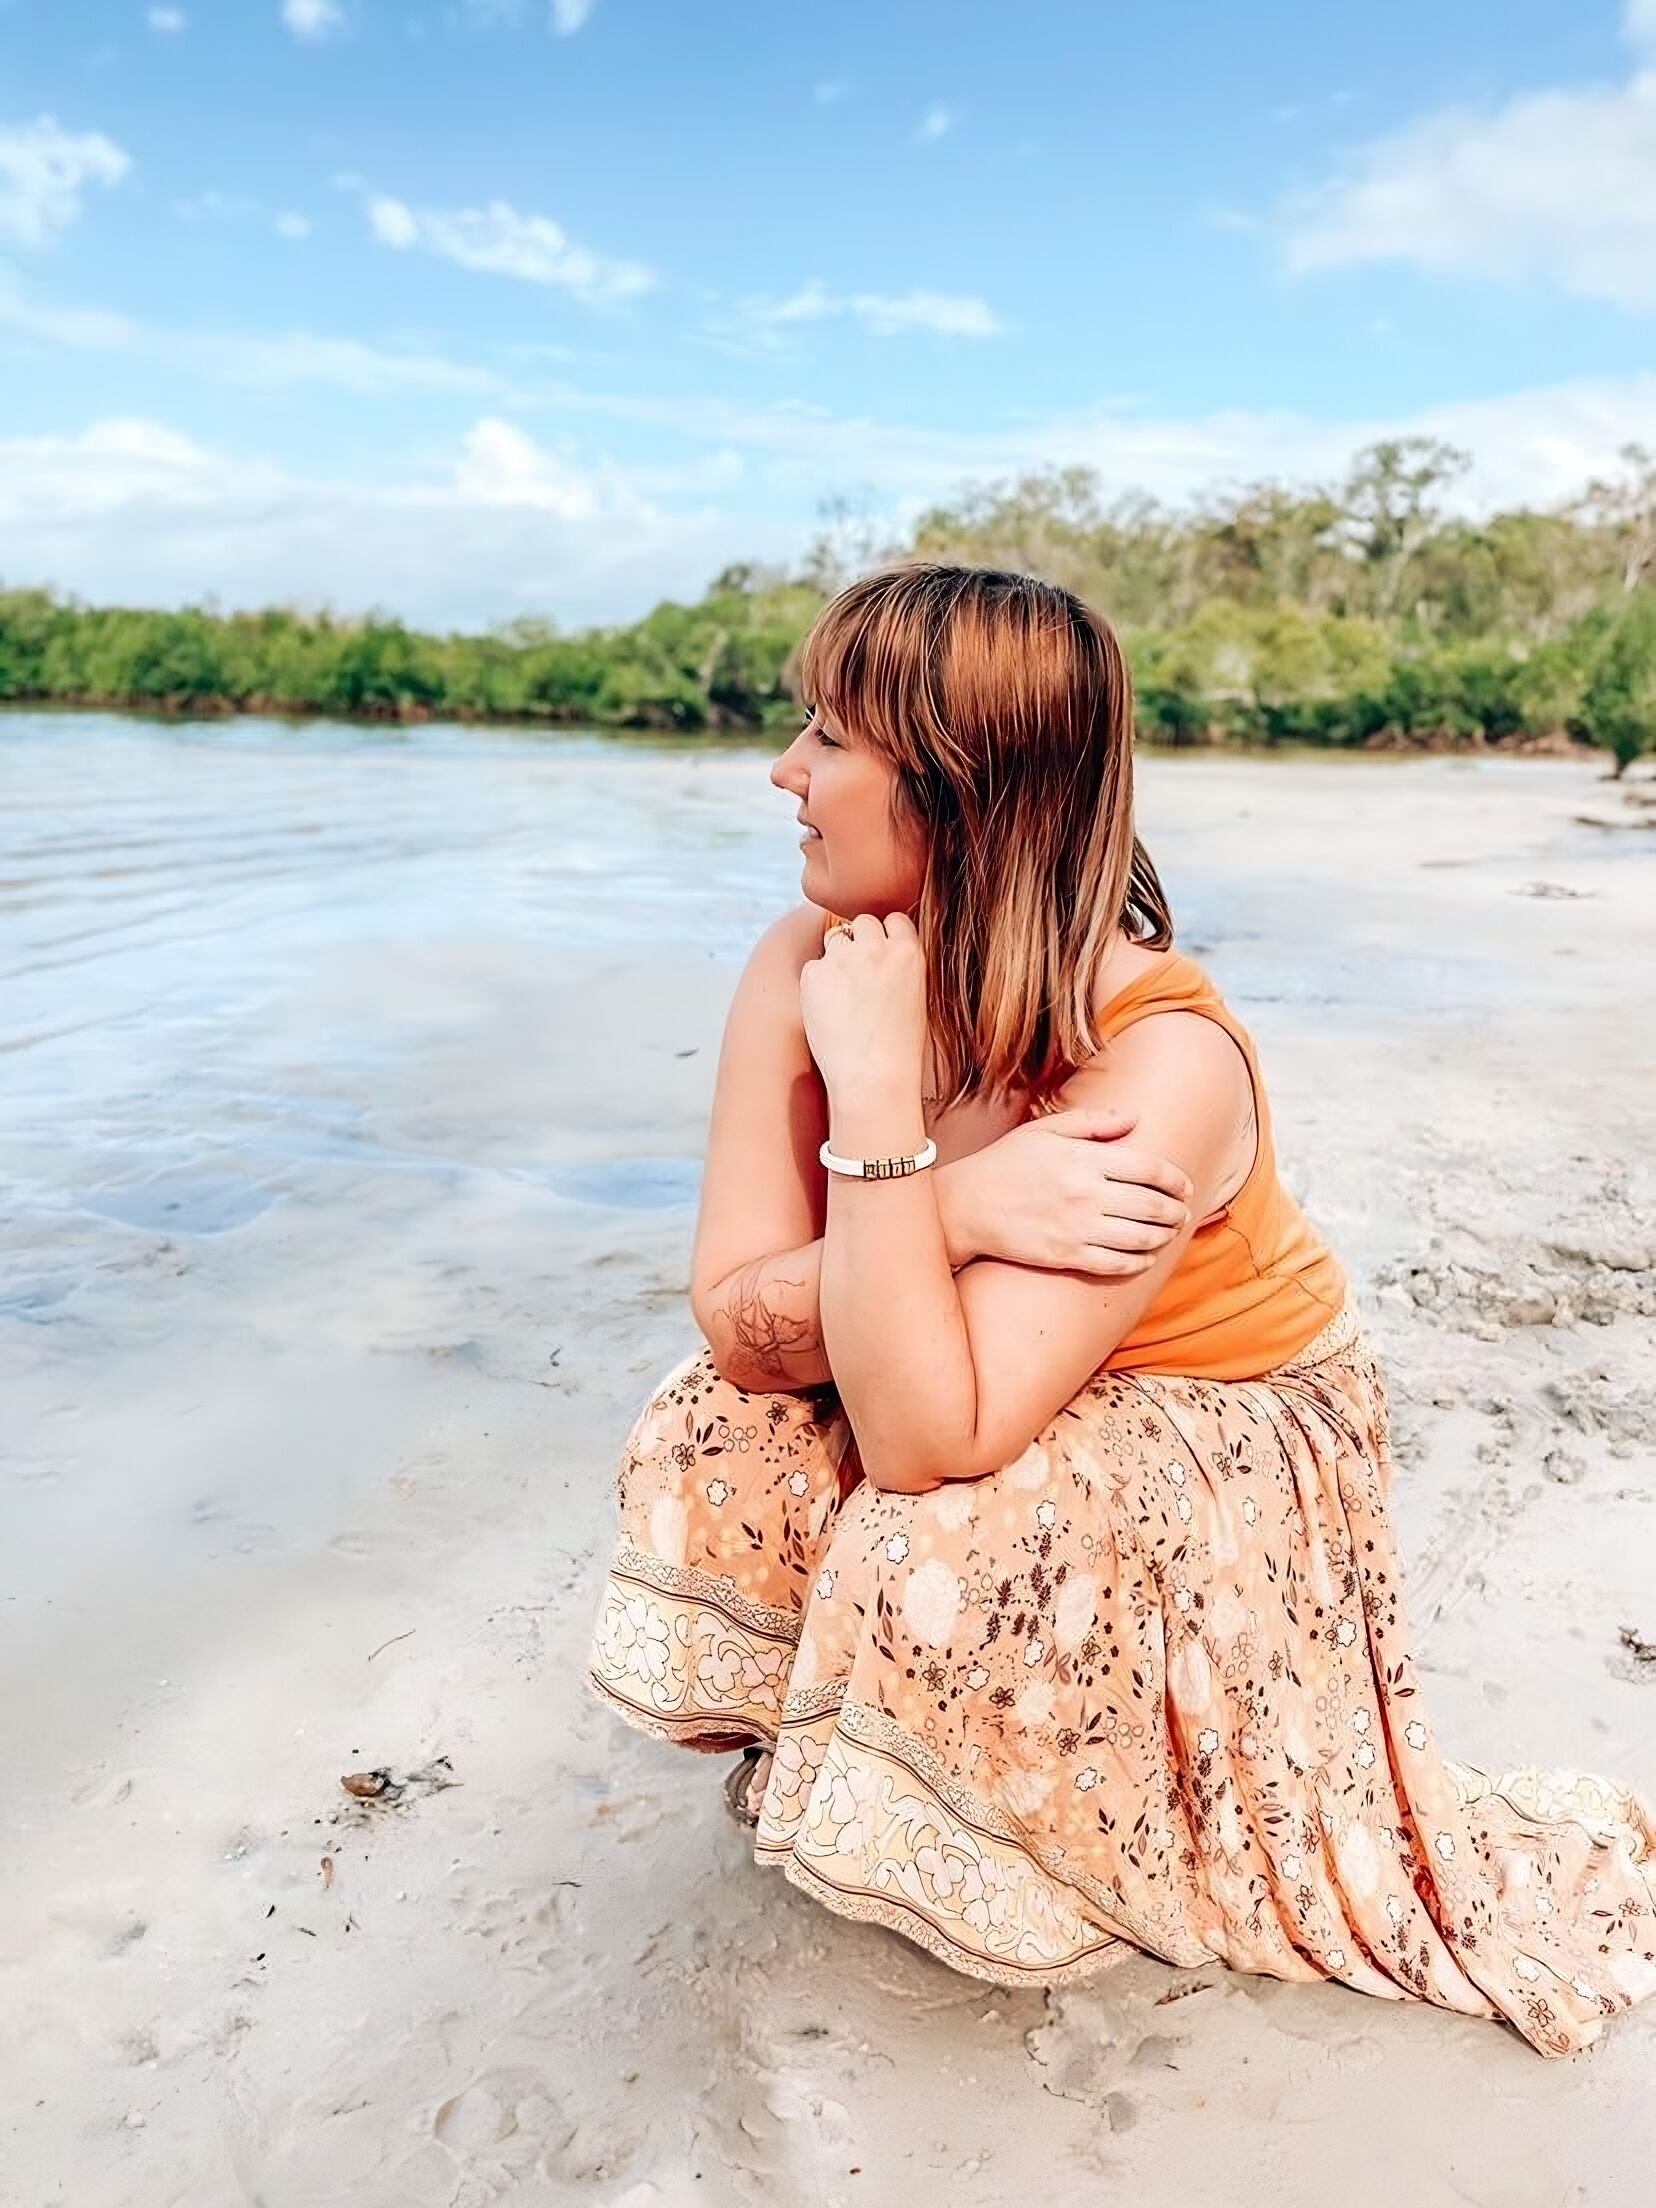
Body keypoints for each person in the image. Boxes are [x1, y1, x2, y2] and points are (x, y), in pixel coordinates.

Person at [585, 563, 1656, 2059]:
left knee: (956, 1527)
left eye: (830, 736)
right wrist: (956, 1201)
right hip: (965, 1334)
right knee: (722, 1425)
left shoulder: (1164, 1063)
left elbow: (925, 1438)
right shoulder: (806, 963)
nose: (787, 771)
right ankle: (837, 1744)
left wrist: (883, 1099)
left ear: (965, 788)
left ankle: (1070, 1828)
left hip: (1220, 1415)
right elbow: (730, 1320)